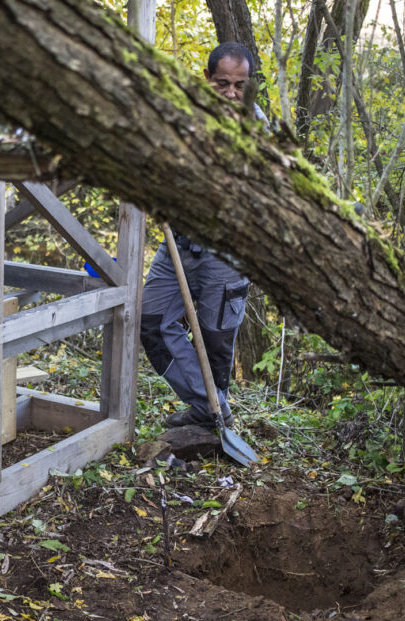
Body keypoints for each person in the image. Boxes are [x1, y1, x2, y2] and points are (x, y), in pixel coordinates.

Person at [139, 42, 267, 432]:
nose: (231, 94)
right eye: (222, 83)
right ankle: (212, 408)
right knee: (151, 322)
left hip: (227, 254)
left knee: (216, 342)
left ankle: (210, 416)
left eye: (240, 85)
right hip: (178, 243)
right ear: (207, 78)